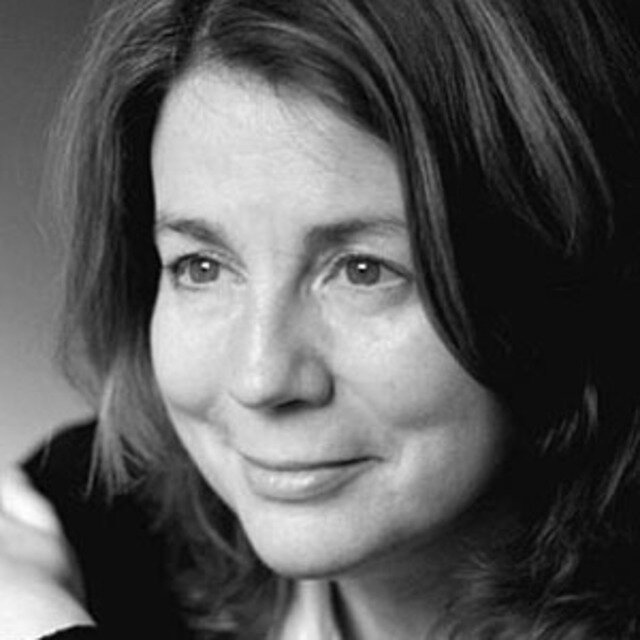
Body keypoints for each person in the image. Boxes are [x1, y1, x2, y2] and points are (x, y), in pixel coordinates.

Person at [1, 0, 639, 637]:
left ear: (562, 276)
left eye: (364, 271)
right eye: (201, 266)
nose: (261, 379)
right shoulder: (98, 521)